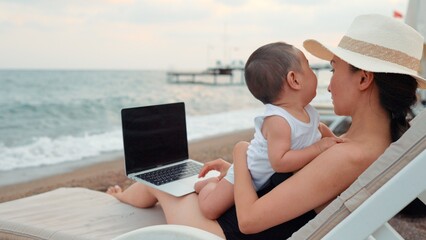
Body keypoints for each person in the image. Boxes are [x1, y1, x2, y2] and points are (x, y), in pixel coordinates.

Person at [107, 14, 425, 239]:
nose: (328, 84)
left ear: (364, 78)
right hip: (226, 219)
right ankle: (122, 196)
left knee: (162, 180)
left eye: (334, 69)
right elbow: (296, 187)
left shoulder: (349, 155)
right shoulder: (361, 145)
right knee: (177, 177)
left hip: (218, 233)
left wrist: (242, 154)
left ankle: (117, 199)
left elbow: (249, 221)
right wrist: (237, 171)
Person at [194, 42, 342, 220]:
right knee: (210, 209)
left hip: (261, 181)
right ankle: (207, 186)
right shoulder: (278, 121)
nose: (314, 72)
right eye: (309, 67)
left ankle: (215, 183)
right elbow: (280, 162)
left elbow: (318, 128)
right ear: (294, 80)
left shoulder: (307, 110)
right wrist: (319, 148)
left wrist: (334, 140)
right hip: (245, 175)